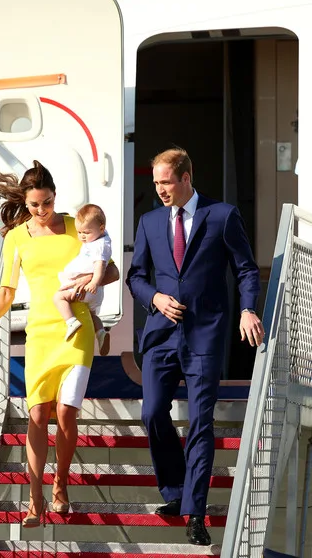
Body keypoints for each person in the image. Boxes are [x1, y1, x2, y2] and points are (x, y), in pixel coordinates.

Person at [0, 160, 119, 527]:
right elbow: (7, 290)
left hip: (75, 327)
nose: (41, 210)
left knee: (66, 411)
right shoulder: (16, 237)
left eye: (47, 202)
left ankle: (60, 485)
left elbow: (110, 269)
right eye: (34, 204)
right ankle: (35, 499)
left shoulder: (74, 226)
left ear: (55, 196)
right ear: (25, 201)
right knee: (38, 414)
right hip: (41, 331)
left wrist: (87, 282)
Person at [126, 147, 264, 546]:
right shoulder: (150, 221)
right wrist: (154, 298)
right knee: (152, 412)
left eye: (165, 182)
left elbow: (245, 269)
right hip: (160, 335)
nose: (160, 190)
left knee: (201, 424)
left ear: (186, 177)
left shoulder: (222, 215)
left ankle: (195, 512)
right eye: (155, 183)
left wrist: (247, 310)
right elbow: (136, 276)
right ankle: (175, 491)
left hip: (205, 334)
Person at [53, 203, 111, 356]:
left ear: (101, 228)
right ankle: (100, 333)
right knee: (93, 315)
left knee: (59, 297)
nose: (82, 236)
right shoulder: (101, 239)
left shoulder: (99, 246)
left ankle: (71, 321)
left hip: (86, 289)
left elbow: (100, 266)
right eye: (79, 232)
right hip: (94, 293)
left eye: (86, 232)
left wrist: (94, 282)